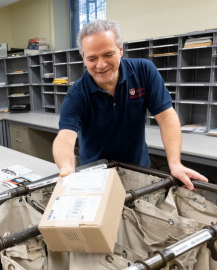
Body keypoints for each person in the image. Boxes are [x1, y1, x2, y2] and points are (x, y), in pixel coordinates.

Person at [52, 19, 207, 190]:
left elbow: (166, 116)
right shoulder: (77, 94)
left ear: (120, 50)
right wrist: (67, 169)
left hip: (138, 170)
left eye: (108, 55)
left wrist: (175, 163)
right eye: (92, 58)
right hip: (95, 174)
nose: (101, 65)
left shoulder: (144, 71)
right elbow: (65, 136)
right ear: (83, 59)